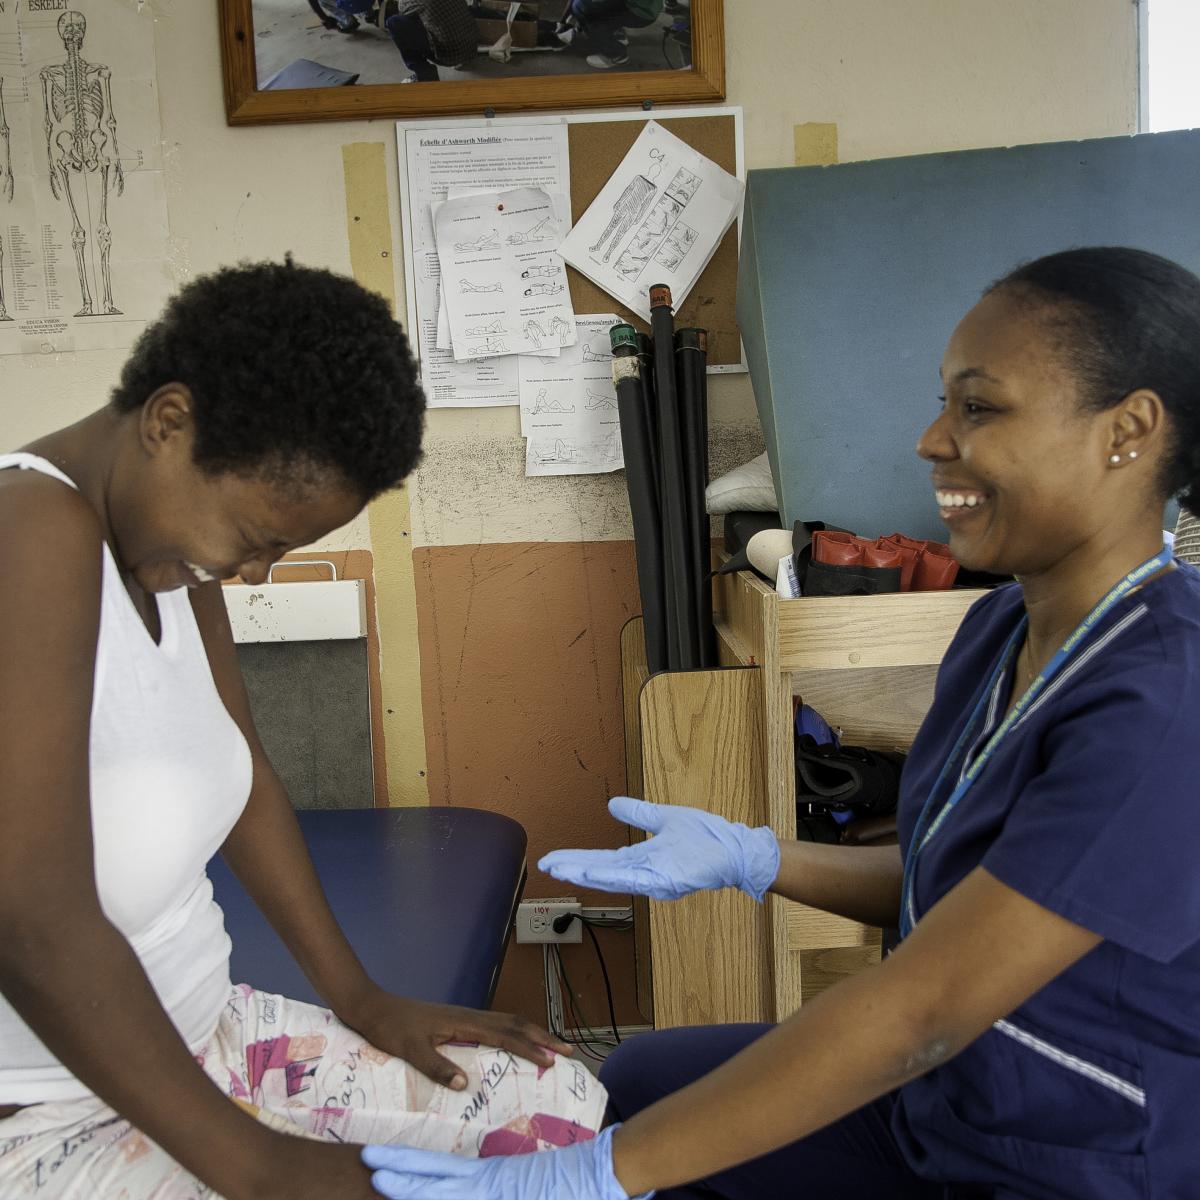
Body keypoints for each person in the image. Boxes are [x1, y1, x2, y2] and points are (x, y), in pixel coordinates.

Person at [361, 245, 1200, 1199]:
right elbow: (946, 886)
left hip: (1071, 1153)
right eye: (943, 402)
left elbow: (922, 1010)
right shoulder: (1001, 628)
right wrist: (758, 856)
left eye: (979, 406)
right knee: (638, 1077)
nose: (931, 439)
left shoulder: (1166, 701)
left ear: (1127, 430)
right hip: (948, 1096)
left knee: (652, 1153)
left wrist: (605, 1174)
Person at [0, 259, 604, 1199]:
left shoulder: (172, 560)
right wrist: (256, 1164)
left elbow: (246, 784)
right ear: (170, 423)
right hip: (47, 1112)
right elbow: (30, 913)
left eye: (279, 551)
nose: (253, 574)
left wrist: (360, 998)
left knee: (556, 1115)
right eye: (257, 538)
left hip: (211, 1040)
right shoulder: (26, 531)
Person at [384, 0, 478, 83]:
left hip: (449, 55)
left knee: (393, 22)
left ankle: (425, 75)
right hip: (472, 47)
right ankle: (464, 59)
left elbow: (403, 12)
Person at [563, 0, 664, 69]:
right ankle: (615, 32)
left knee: (581, 7)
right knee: (582, 6)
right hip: (645, 6)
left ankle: (615, 54)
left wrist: (577, 17)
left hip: (641, 13)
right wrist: (564, 21)